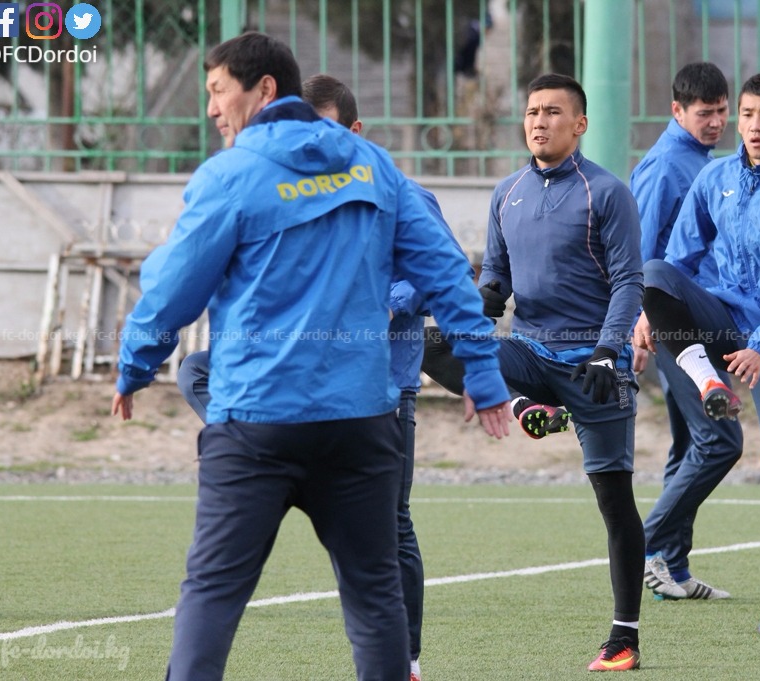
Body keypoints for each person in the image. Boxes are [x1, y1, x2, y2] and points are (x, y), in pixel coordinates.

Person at [112, 32, 511, 681]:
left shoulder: (230, 174)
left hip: (256, 423)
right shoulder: (374, 166)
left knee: (212, 593)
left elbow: (172, 290)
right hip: (359, 425)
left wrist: (134, 364)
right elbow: (446, 274)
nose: (211, 108)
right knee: (374, 596)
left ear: (263, 89)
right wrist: (483, 376)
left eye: (217, 91)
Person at [175, 73, 449, 681]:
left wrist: (386, 304)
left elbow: (441, 272)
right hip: (286, 396)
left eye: (324, 132)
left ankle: (407, 659)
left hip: (379, 394)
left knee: (391, 532)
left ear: (355, 131)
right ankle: (253, 441)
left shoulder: (399, 191)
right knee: (196, 368)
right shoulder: (276, 188)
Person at [423, 73, 646, 671]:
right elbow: (496, 279)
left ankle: (624, 637)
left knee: (614, 501)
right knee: (428, 344)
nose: (539, 121)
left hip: (594, 364)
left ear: (580, 124)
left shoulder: (608, 193)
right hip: (528, 353)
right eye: (531, 112)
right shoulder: (507, 193)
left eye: (552, 112)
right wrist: (473, 307)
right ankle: (524, 408)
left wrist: (608, 350)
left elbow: (630, 282)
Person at [639, 72, 760, 635]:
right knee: (653, 273)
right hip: (722, 323)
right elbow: (677, 259)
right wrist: (649, 314)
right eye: (747, 114)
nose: (753, 125)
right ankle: (708, 380)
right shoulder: (715, 177)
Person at [629, 61, 740, 601]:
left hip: (697, 319)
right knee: (719, 442)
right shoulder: (667, 167)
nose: (716, 122)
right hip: (673, 326)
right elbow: (641, 255)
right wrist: (640, 319)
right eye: (705, 113)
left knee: (690, 443)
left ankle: (669, 567)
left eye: (722, 111)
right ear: (677, 110)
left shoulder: (701, 159)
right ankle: (643, 547)